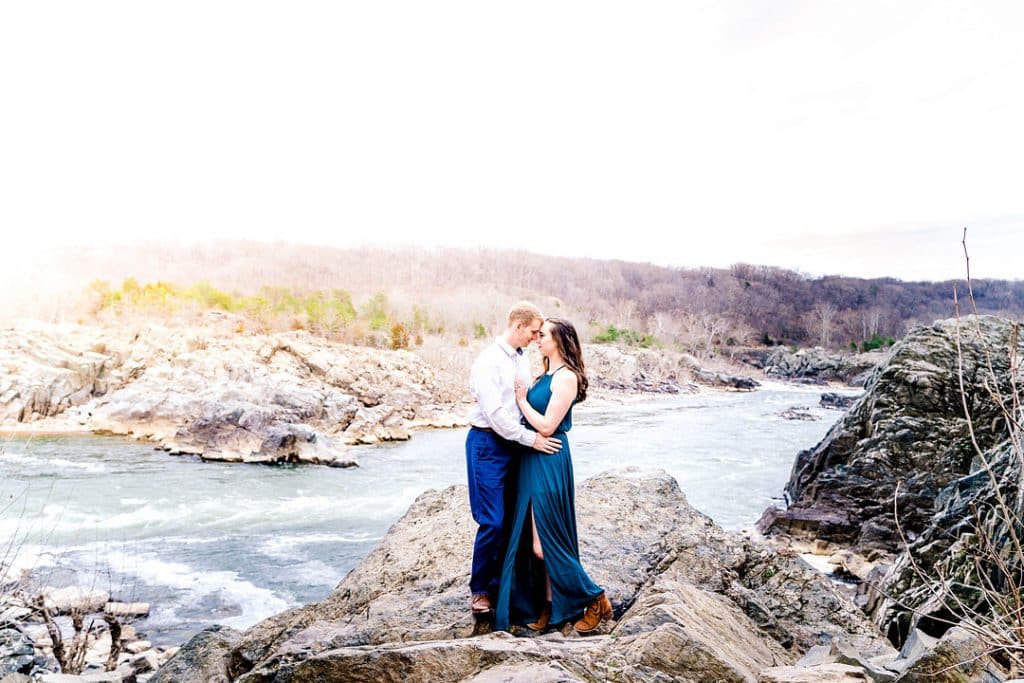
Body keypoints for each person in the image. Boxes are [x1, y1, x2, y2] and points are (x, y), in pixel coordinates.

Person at [494, 317, 613, 633]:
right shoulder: (545, 375)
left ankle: (595, 597)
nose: (537, 339)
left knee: (543, 543)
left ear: (559, 341)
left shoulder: (567, 377)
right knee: (532, 542)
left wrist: (522, 401)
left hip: (549, 459)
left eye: (543, 335)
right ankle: (550, 605)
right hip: (531, 459)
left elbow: (547, 426)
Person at [466, 302, 563, 616]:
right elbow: (495, 416)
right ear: (518, 326)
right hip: (488, 444)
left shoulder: (522, 360)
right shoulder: (488, 362)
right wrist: (533, 439)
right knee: (492, 520)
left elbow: (521, 406)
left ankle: (505, 588)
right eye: (534, 332)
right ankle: (481, 590)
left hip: (516, 445)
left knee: (512, 520)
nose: (537, 338)